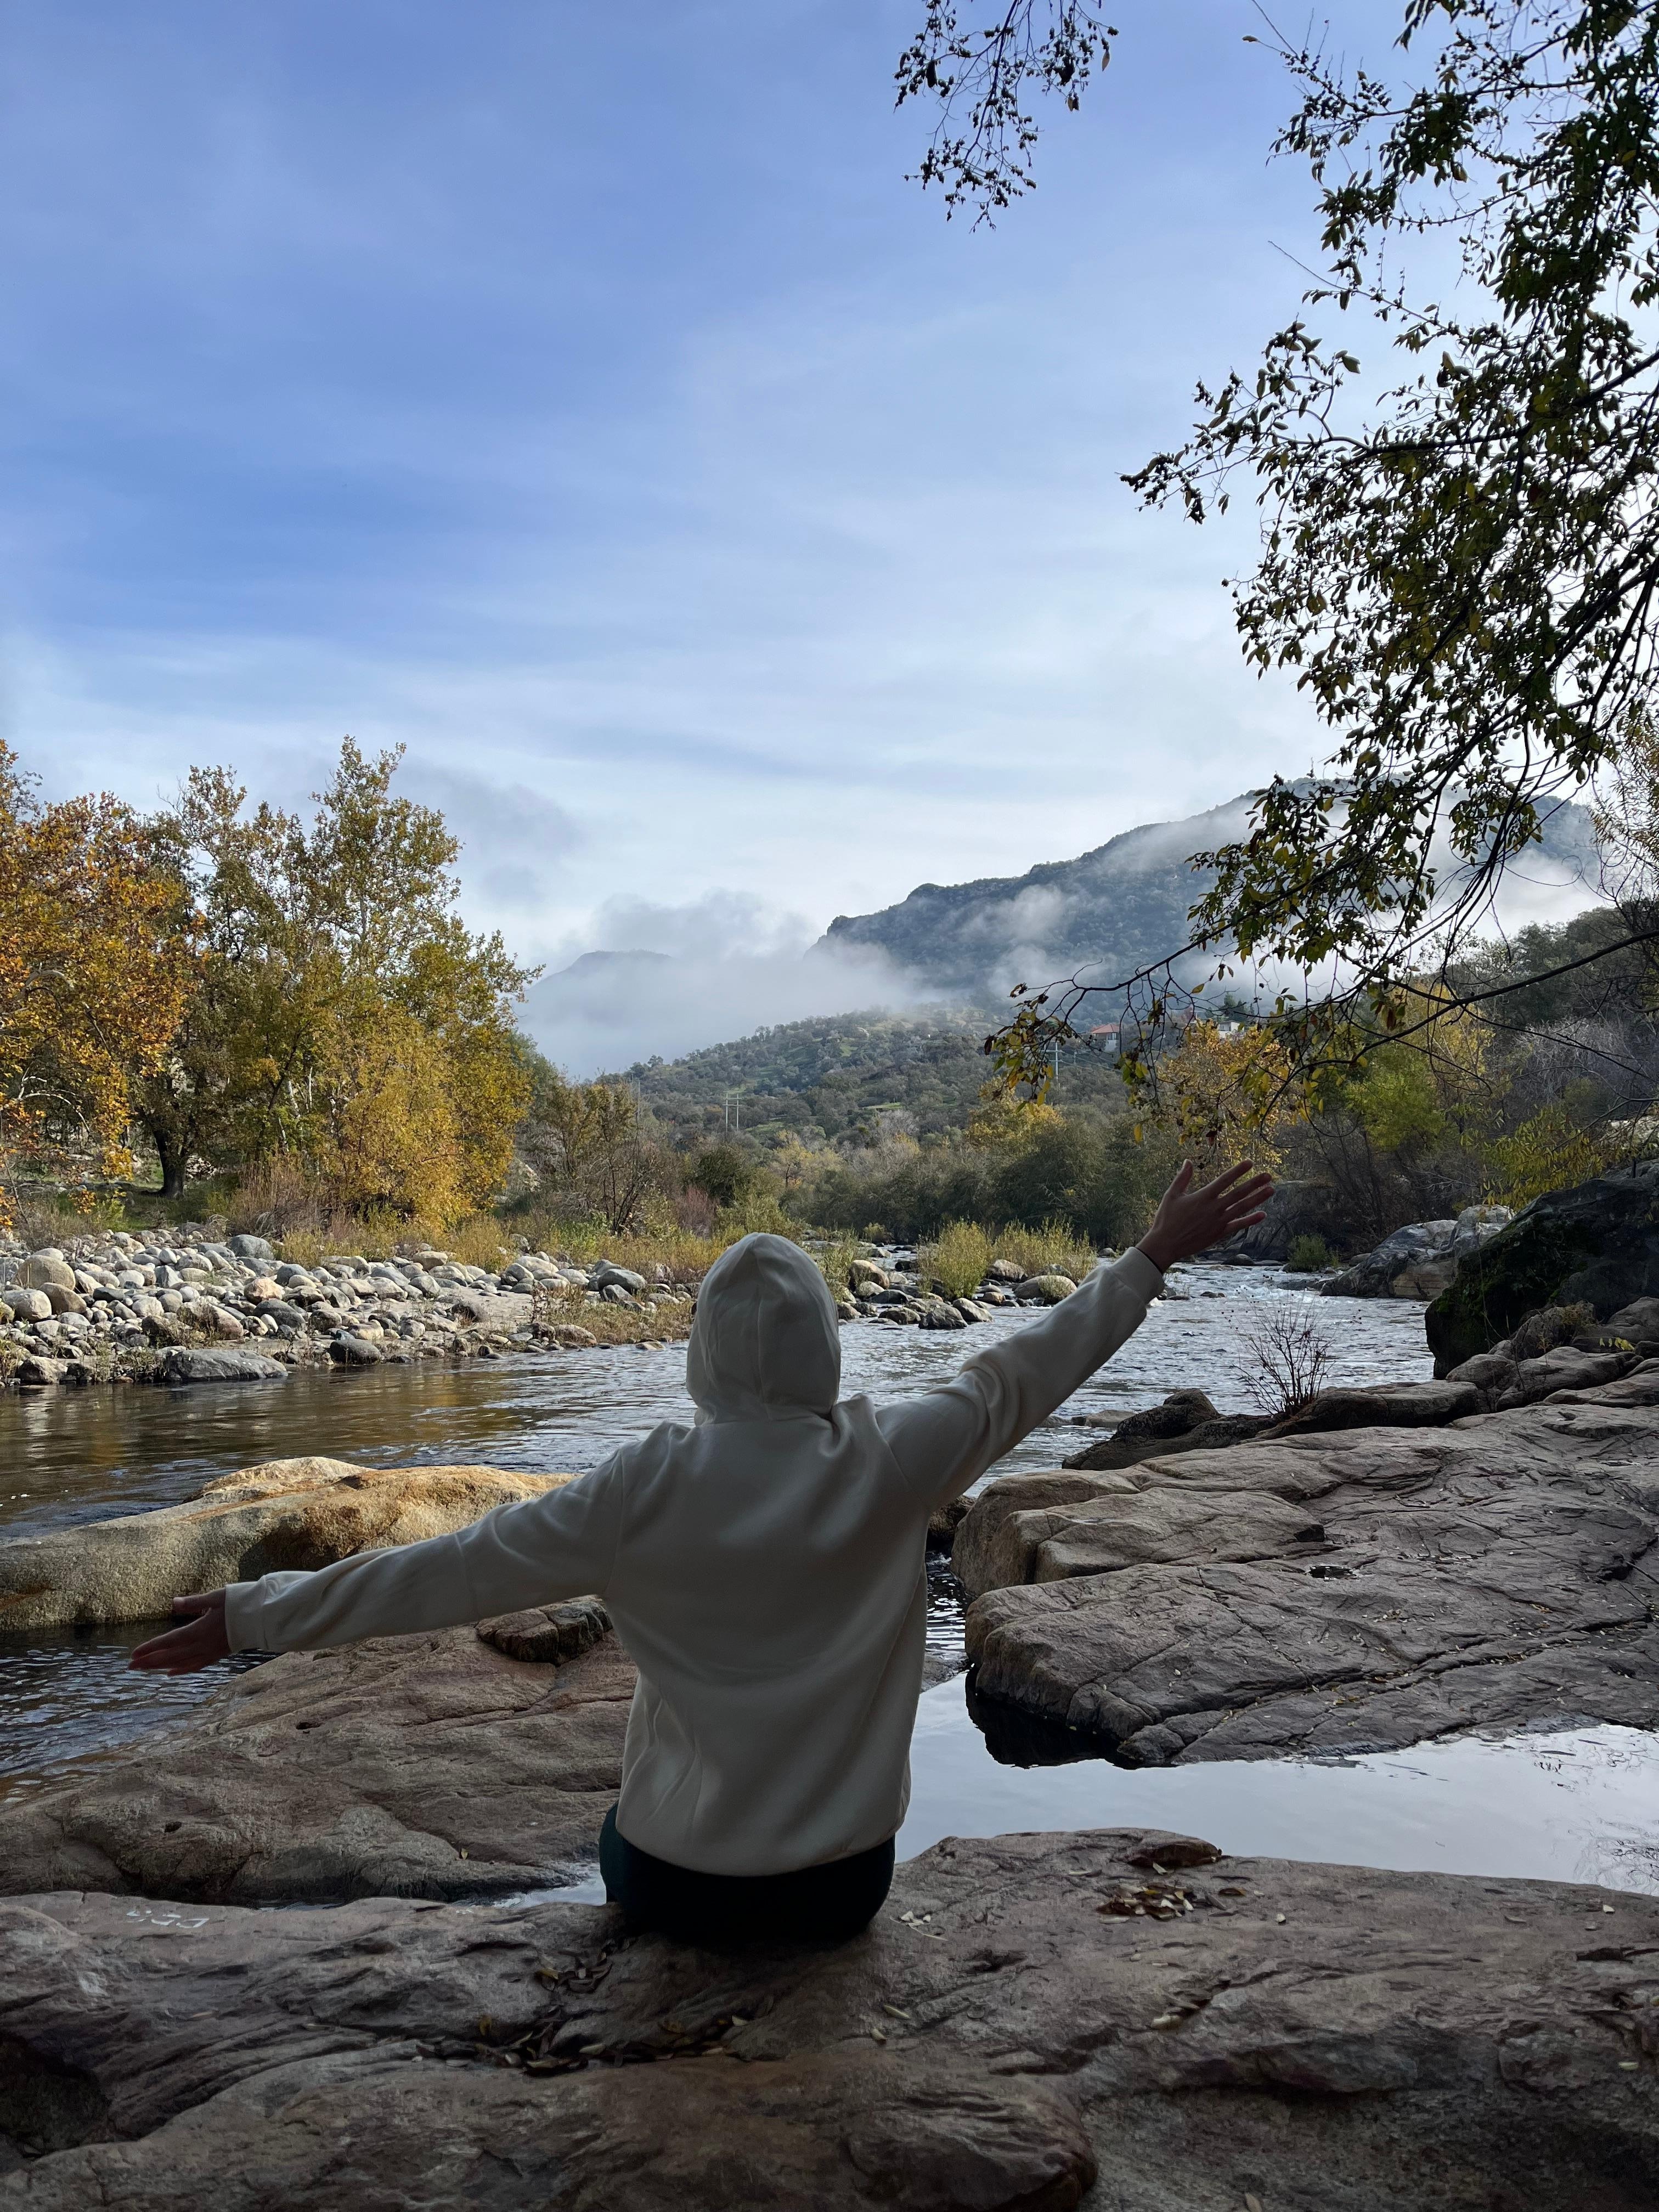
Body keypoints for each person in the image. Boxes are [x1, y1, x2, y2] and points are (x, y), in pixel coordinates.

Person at [132, 1158, 1272, 1945]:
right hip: (839, 1892)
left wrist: (255, 1613)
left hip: (676, 1884)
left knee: (618, 1840)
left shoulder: (637, 1490)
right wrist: (1149, 1256)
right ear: (826, 1346)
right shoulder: (891, 1458)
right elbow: (1024, 1371)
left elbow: (451, 1570)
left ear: (703, 1355)